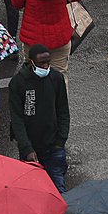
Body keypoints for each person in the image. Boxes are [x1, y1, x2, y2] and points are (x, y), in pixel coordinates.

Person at [9, 43, 71, 201]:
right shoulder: (18, 83)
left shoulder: (56, 78)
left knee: (59, 194)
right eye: (42, 63)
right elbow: (17, 119)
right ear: (31, 62)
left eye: (48, 62)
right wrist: (27, 148)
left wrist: (60, 141)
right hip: (30, 150)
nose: (46, 66)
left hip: (53, 147)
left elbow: (63, 110)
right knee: (32, 195)